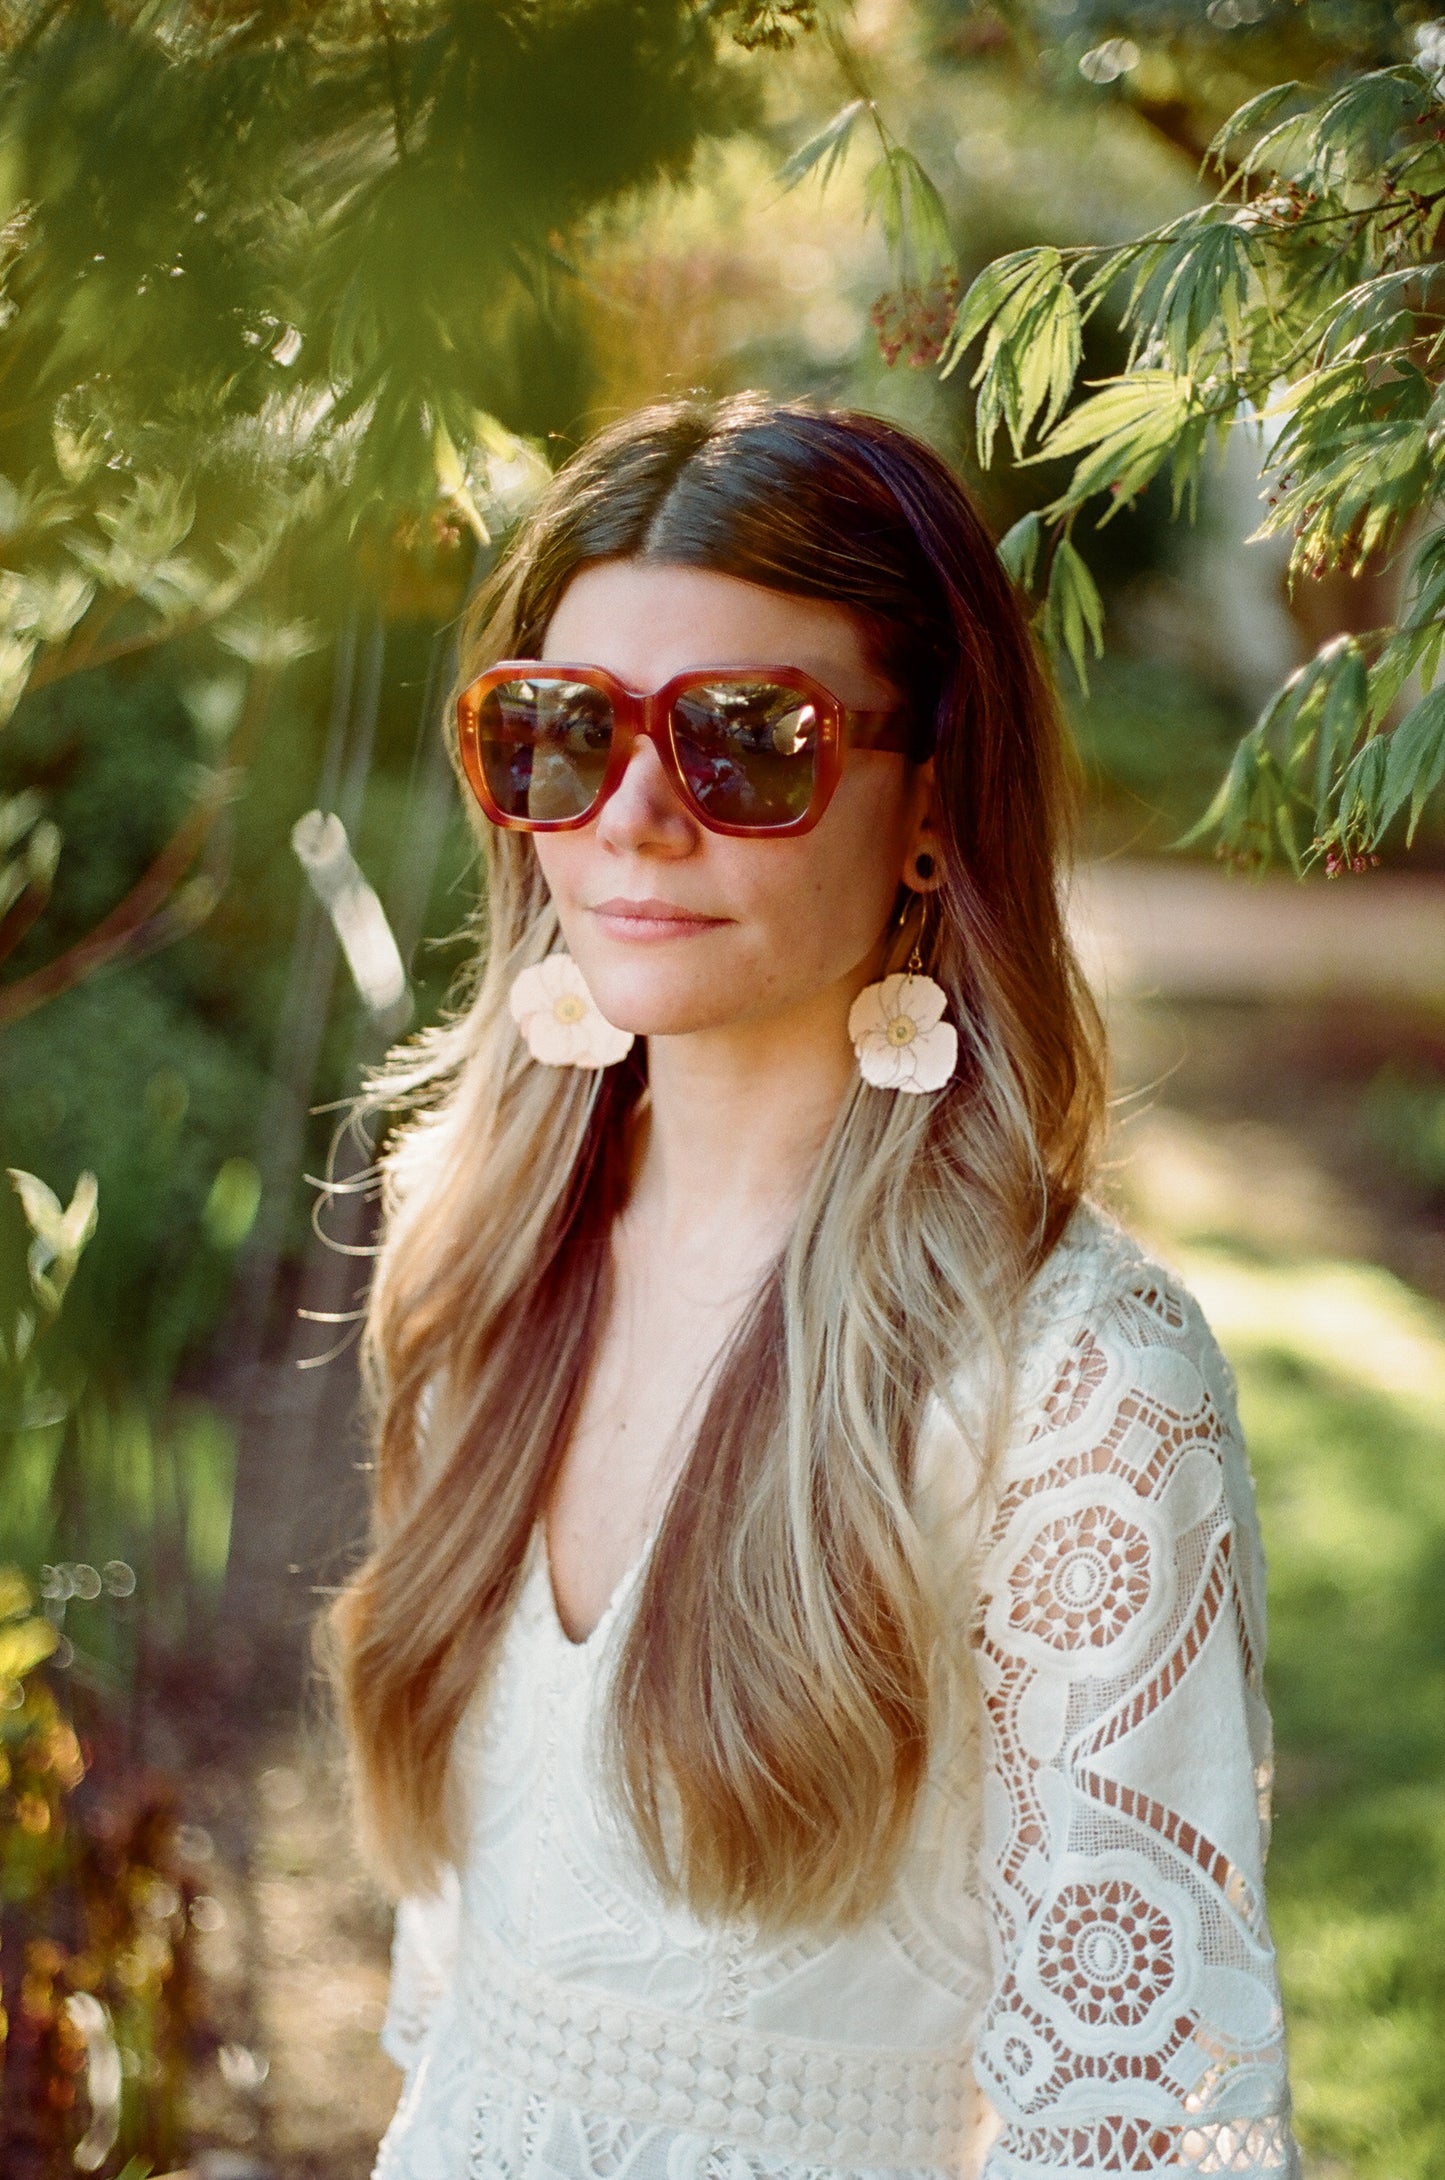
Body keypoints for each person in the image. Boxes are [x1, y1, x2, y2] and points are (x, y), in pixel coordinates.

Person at [327, 393, 1299, 2180]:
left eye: (741, 742)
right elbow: (453, 2013)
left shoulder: (1076, 1382)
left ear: (930, 798)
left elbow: (1130, 2131)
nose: (627, 819)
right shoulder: (468, 1243)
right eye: (559, 732)